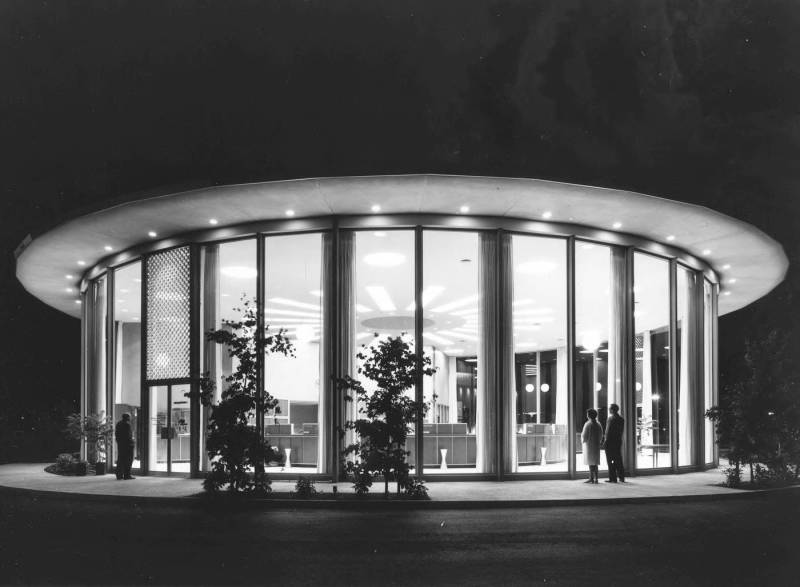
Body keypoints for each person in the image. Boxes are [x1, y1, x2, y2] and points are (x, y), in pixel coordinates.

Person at [603, 403, 626, 483]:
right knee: (618, 459)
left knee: (610, 460)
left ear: (612, 410)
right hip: (618, 441)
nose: (609, 410)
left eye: (609, 409)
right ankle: (621, 477)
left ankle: (613, 478)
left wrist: (605, 441)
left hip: (610, 442)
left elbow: (608, 431)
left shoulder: (610, 419)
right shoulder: (621, 419)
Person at [581, 408, 603, 483]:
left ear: (589, 415)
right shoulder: (598, 424)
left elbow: (584, 435)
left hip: (589, 445)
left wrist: (583, 441)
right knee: (595, 462)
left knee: (590, 462)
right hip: (596, 445)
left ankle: (591, 478)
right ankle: (596, 478)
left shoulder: (588, 424)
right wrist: (599, 441)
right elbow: (601, 434)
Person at [115, 413, 135, 480]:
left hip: (121, 445)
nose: (130, 418)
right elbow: (129, 436)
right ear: (127, 418)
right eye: (130, 417)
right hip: (128, 445)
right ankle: (127, 475)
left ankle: (119, 475)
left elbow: (116, 434)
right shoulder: (127, 425)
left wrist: (119, 442)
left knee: (120, 460)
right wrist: (132, 443)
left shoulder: (118, 424)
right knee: (128, 460)